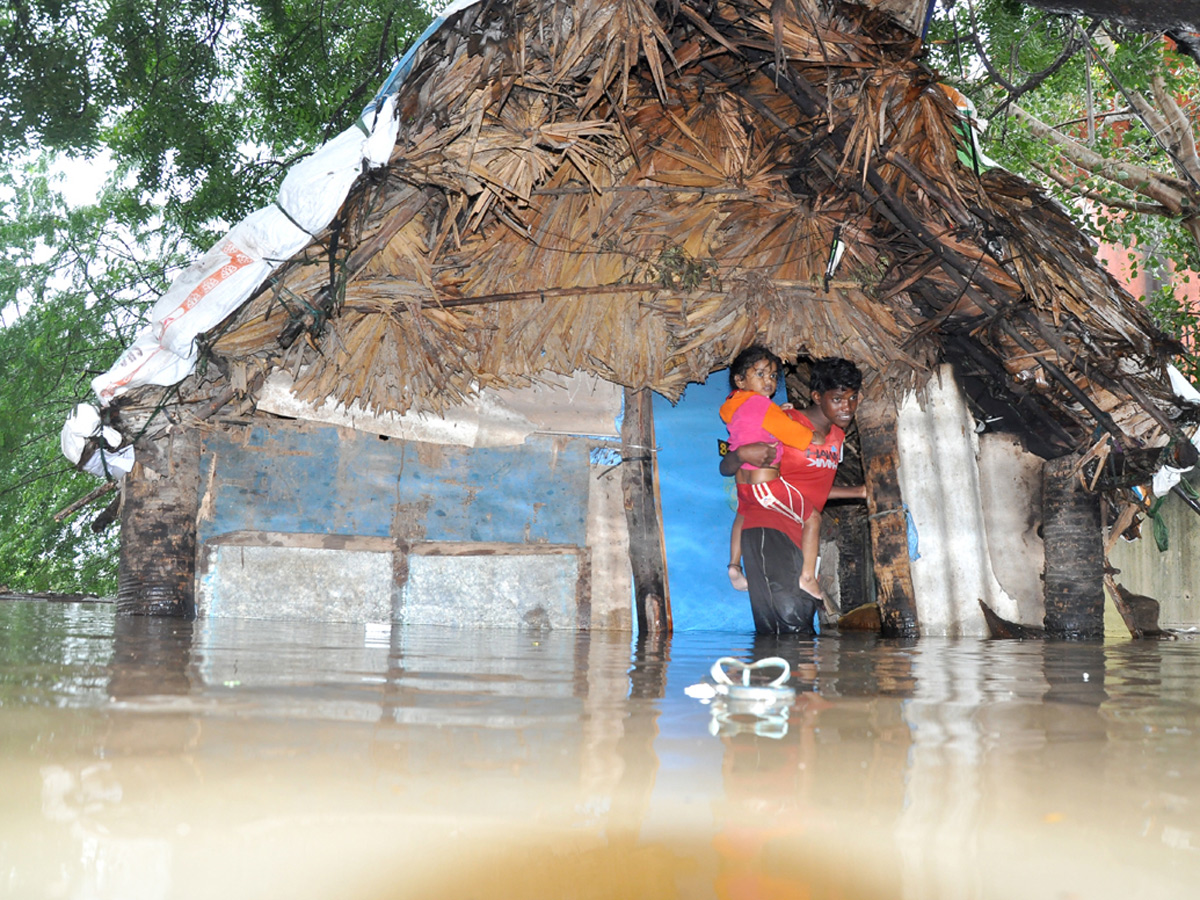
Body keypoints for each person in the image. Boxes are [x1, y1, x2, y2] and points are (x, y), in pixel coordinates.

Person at [721, 357, 866, 634]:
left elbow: (814, 489)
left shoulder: (837, 436)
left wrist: (858, 492)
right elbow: (735, 468)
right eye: (837, 399)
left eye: (853, 398)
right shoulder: (785, 421)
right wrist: (739, 455)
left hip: (801, 535)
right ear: (817, 396)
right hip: (770, 529)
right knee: (793, 625)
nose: (846, 407)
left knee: (786, 630)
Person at [719, 346, 816, 590]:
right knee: (812, 518)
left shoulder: (733, 406)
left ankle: (734, 566)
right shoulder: (763, 407)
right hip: (766, 486)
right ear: (740, 380)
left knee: (742, 514)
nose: (769, 381)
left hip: (744, 485)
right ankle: (808, 577)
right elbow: (800, 437)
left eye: (773, 376)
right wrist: (811, 431)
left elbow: (755, 424)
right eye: (760, 374)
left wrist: (776, 414)